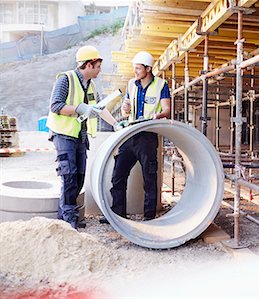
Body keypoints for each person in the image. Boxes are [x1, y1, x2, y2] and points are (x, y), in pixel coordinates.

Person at [47, 45, 120, 229]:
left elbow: (99, 109)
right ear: (88, 64)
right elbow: (55, 106)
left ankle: (64, 218)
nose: (99, 70)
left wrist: (116, 124)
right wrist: (79, 108)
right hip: (64, 135)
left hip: (80, 137)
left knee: (79, 178)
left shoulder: (91, 85)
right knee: (69, 175)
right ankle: (69, 220)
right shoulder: (66, 79)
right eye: (97, 66)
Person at [101, 51, 171, 223]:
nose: (135, 71)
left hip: (147, 137)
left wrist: (158, 116)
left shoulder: (161, 85)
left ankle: (149, 217)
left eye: (138, 68)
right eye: (134, 68)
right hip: (130, 135)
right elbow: (126, 111)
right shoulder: (132, 84)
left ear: (148, 69)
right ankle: (117, 213)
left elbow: (167, 110)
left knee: (149, 177)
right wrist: (125, 108)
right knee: (118, 175)